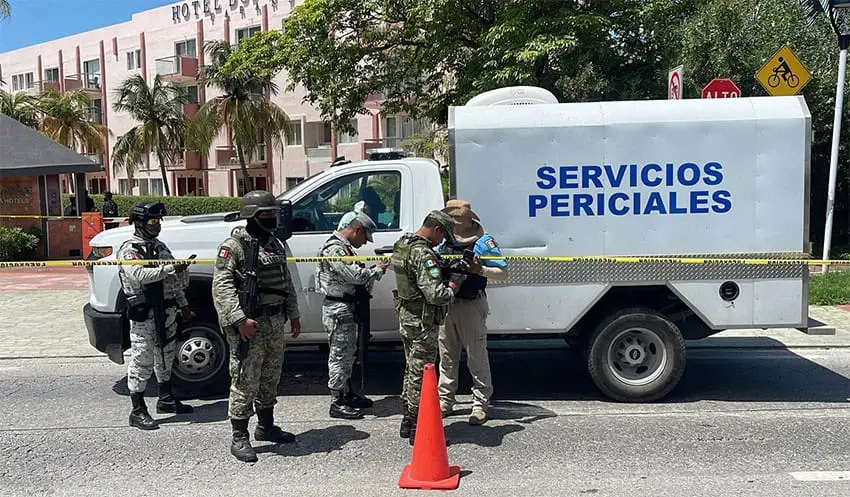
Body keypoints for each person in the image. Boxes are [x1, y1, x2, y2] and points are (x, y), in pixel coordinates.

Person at [212, 190, 302, 463]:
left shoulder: (274, 244)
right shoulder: (235, 246)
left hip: (275, 321)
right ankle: (239, 436)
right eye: (267, 214)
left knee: (270, 376)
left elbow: (286, 282)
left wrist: (293, 313)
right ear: (252, 216)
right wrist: (239, 320)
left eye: (274, 213)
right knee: (244, 379)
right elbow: (222, 286)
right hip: (250, 323)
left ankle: (266, 426)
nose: (273, 218)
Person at [117, 201, 195, 431]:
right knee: (143, 358)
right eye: (153, 221)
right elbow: (140, 274)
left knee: (166, 355)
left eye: (159, 221)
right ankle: (138, 409)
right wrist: (171, 268)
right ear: (140, 223)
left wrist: (183, 304)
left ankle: (166, 398)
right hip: (144, 312)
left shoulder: (160, 247)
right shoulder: (130, 249)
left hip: (166, 309)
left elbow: (172, 281)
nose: (157, 225)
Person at [391, 210, 466, 443]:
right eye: (442, 236)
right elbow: (436, 295)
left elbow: (415, 275)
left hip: (407, 318)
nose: (442, 242)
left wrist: (445, 263)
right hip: (424, 323)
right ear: (437, 229)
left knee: (410, 371)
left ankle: (407, 421)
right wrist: (454, 284)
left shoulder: (402, 244)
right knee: (422, 375)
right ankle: (417, 427)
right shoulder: (424, 254)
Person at [436, 200, 508, 425]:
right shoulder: (442, 242)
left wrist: (481, 270)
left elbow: (503, 272)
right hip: (447, 304)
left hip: (471, 304)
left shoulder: (484, 242)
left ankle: (480, 404)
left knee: (476, 356)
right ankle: (445, 401)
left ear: (469, 219)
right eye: (451, 215)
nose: (454, 219)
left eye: (459, 215)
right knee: (447, 356)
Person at [316, 210, 388, 419]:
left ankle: (347, 393)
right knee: (339, 355)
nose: (364, 242)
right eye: (364, 236)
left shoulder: (344, 248)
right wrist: (378, 269)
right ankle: (336, 401)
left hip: (347, 307)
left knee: (348, 353)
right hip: (338, 308)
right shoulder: (335, 249)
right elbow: (354, 275)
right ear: (357, 229)